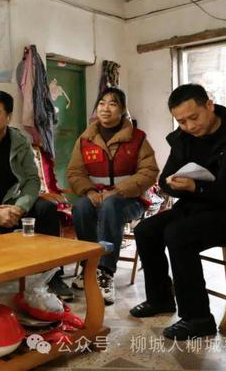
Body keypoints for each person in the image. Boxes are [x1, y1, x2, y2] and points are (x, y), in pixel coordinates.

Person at [130, 84, 226, 340]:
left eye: (194, 117)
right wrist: (173, 184)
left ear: (209, 105)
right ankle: (160, 299)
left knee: (179, 234)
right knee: (146, 230)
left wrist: (198, 187)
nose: (189, 126)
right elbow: (166, 179)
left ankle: (198, 317)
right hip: (198, 206)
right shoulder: (183, 138)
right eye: (181, 121)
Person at [0, 90, 72, 300]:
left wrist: (20, 207)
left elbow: (32, 180)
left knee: (46, 209)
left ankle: (53, 275)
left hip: (14, 204)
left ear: (8, 117)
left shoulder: (20, 141)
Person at [66, 87, 159, 305]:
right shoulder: (85, 139)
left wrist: (117, 191)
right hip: (96, 197)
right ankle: (89, 267)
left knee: (111, 206)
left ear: (123, 109)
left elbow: (149, 171)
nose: (105, 108)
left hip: (130, 200)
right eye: (101, 103)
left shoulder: (137, 138)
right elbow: (74, 172)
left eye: (112, 103)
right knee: (81, 207)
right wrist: (89, 191)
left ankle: (105, 272)